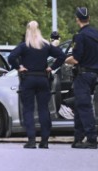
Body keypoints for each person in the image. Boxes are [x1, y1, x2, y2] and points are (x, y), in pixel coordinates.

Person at [8, 21, 66, 149]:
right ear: (38, 30)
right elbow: (61, 55)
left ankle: (31, 140)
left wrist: (19, 67)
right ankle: (44, 141)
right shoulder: (45, 45)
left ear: (28, 31)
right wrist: (52, 67)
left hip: (28, 79)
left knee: (28, 109)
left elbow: (11, 57)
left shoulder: (24, 46)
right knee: (43, 109)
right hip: (42, 79)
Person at [65, 7, 98, 149]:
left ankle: (91, 139)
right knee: (79, 105)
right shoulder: (97, 33)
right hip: (94, 74)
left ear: (77, 19)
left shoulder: (80, 36)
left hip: (82, 75)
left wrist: (64, 60)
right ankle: (78, 138)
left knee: (84, 106)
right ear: (88, 18)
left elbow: (76, 59)